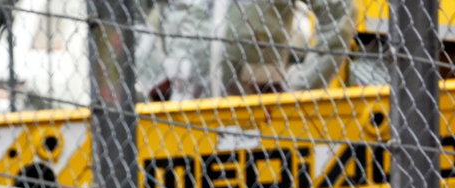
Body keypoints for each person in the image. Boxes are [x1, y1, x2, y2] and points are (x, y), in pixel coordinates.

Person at [136, 0, 353, 101]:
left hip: (259, 113)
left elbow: (339, 15)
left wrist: (303, 85)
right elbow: (137, 13)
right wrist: (154, 75)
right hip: (183, 106)